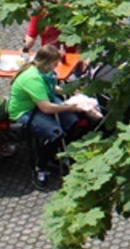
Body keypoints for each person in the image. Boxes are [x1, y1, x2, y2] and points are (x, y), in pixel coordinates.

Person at [8, 44, 102, 189]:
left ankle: (57, 153)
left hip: (42, 103)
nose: (57, 65)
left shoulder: (44, 72)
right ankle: (41, 167)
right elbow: (46, 108)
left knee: (73, 122)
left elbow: (53, 88)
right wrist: (69, 107)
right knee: (55, 133)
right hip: (26, 111)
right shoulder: (33, 78)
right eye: (55, 63)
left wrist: (70, 91)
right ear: (46, 62)